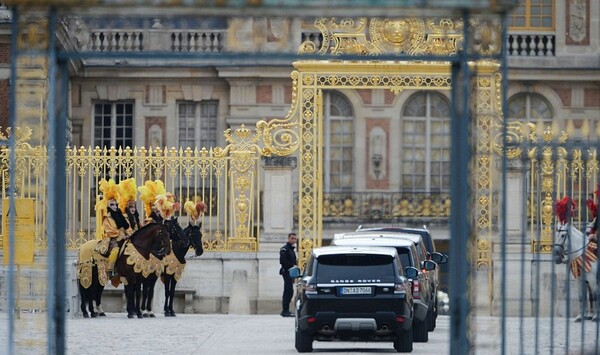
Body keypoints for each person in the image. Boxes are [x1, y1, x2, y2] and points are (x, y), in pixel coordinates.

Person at [279, 232, 298, 317]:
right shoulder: (285, 249)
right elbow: (283, 261)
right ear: (288, 238)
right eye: (292, 238)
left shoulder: (291, 249)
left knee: (290, 291)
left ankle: (286, 310)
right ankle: (285, 310)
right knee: (288, 290)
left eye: (295, 239)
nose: (294, 240)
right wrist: (291, 266)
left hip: (290, 272)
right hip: (286, 271)